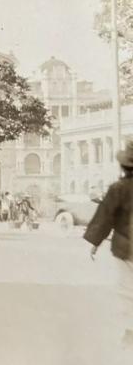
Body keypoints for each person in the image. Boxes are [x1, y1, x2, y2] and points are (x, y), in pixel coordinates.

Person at [84, 141, 133, 350]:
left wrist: (96, 242)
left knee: (127, 290)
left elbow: (105, 217)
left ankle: (131, 333)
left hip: (125, 249)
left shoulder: (118, 189)